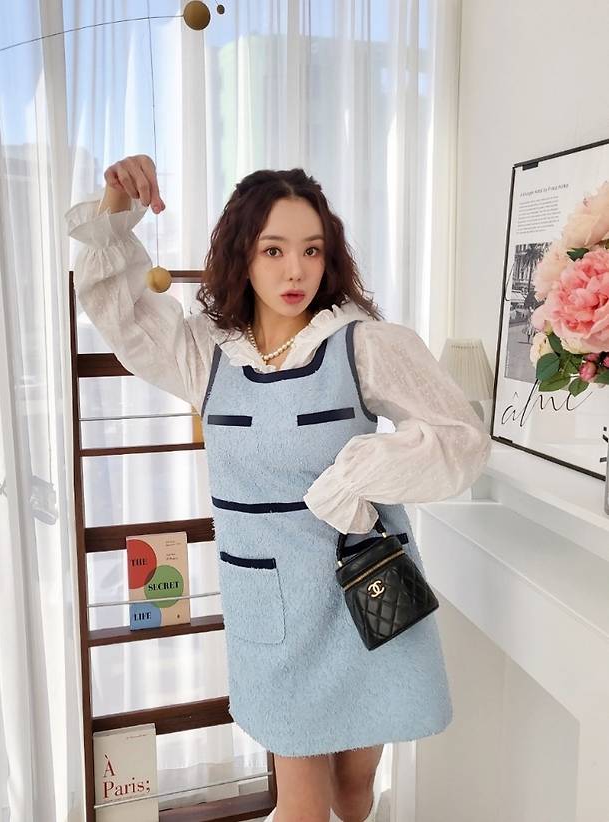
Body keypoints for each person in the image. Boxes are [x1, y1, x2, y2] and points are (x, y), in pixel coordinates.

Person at [65, 158, 492, 822]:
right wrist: (116, 203)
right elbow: (122, 313)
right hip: (273, 611)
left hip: (365, 596)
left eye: (311, 251)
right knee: (301, 806)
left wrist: (358, 471)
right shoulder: (207, 356)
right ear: (243, 255)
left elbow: (460, 437)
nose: (296, 270)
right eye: (274, 250)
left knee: (354, 791)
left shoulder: (363, 347)